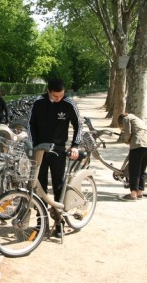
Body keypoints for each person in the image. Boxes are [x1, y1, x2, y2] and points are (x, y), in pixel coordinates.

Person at [27, 78, 83, 237]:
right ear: (48, 91)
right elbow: (30, 124)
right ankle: (41, 223)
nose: (59, 99)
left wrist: (75, 146)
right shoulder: (38, 103)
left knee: (59, 185)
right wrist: (33, 145)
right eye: (55, 96)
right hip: (39, 150)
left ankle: (60, 224)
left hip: (58, 150)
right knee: (39, 186)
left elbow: (79, 125)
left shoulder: (69, 103)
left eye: (61, 95)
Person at [117, 113, 147, 201]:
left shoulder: (126, 119)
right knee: (142, 170)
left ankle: (133, 194)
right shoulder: (136, 119)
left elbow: (128, 133)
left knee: (134, 170)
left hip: (138, 144)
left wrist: (126, 140)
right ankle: (140, 192)